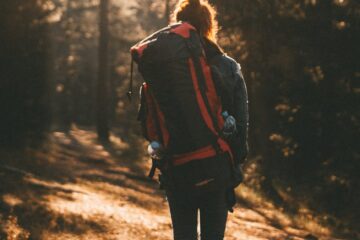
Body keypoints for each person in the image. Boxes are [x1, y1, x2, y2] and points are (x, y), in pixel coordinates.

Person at [132, 0, 249, 239]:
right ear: (208, 25)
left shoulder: (163, 70)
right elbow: (242, 125)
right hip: (216, 166)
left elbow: (150, 124)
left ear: (179, 24)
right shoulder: (228, 66)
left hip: (178, 169)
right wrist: (235, 164)